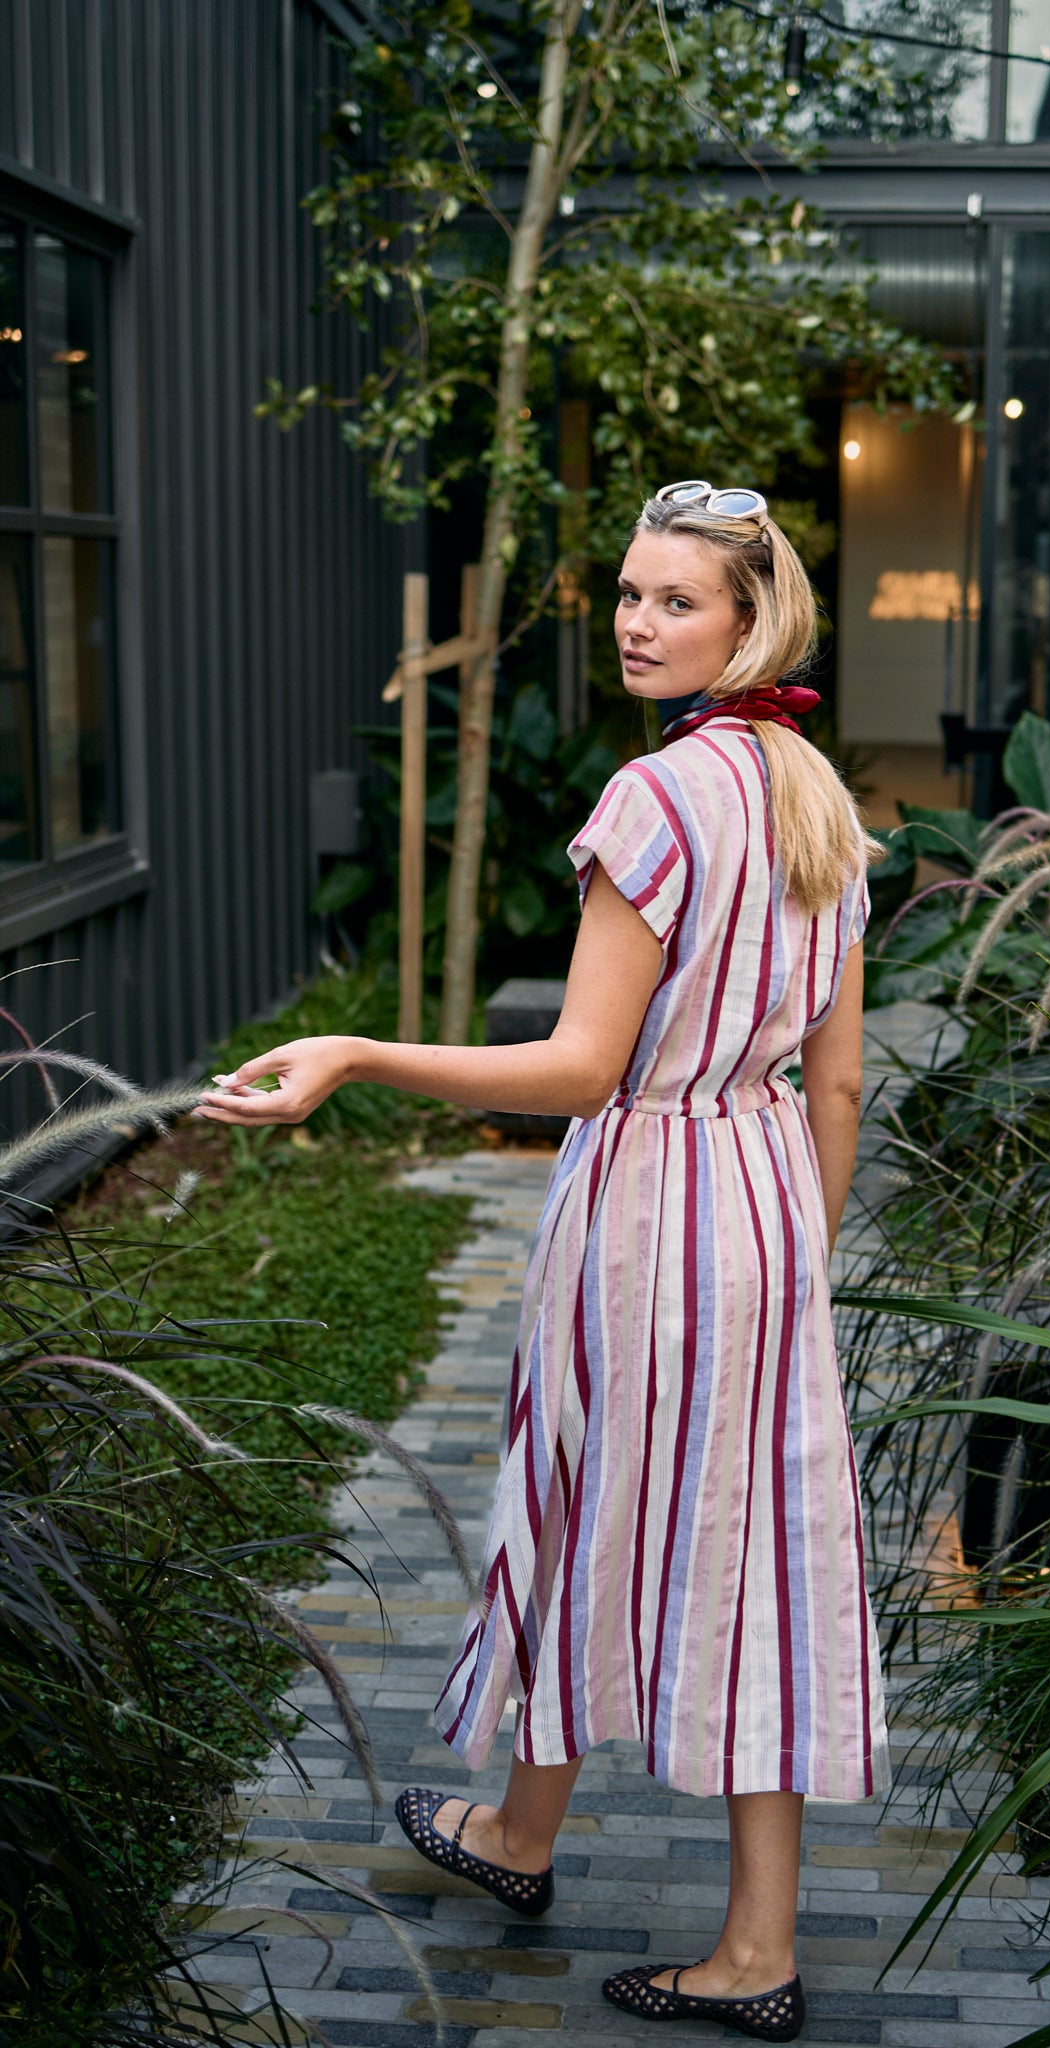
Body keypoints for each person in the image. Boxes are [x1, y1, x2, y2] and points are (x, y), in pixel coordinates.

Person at [194, 480, 889, 2043]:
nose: (638, 623)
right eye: (629, 594)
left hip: (651, 1199)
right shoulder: (819, 801)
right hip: (769, 1201)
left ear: (747, 621)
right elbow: (840, 1084)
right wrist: (798, 1259)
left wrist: (358, 1053)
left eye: (676, 600)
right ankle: (715, 1921)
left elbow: (582, 1068)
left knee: (580, 1501)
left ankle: (554, 1849)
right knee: (761, 1558)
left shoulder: (656, 802)